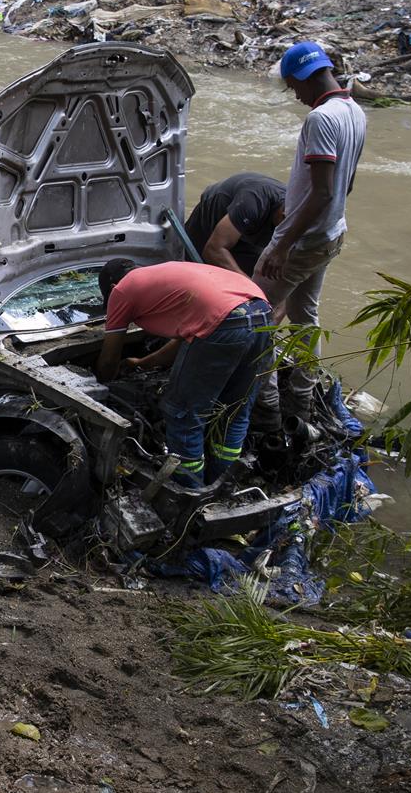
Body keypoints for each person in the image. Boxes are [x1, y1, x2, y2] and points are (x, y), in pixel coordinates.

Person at [94, 258, 273, 490]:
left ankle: (191, 494)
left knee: (183, 415)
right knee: (233, 411)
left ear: (110, 288)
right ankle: (224, 486)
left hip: (225, 321)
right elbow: (190, 335)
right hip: (262, 315)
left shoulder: (123, 288)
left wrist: (100, 386)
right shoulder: (168, 272)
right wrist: (144, 363)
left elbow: (108, 360)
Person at [253, 40, 365, 406]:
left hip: (301, 242)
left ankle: (264, 403)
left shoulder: (321, 119)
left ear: (304, 77)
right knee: (304, 317)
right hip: (332, 234)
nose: (296, 95)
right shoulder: (354, 112)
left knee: (256, 319)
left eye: (294, 86)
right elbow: (344, 186)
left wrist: (283, 245)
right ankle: (301, 398)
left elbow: (322, 193)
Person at [182, 172, 285, 276]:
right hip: (215, 211)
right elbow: (213, 250)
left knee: (260, 270)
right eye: (285, 227)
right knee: (190, 267)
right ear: (282, 214)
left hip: (254, 225)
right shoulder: (252, 203)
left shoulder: (298, 218)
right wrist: (247, 285)